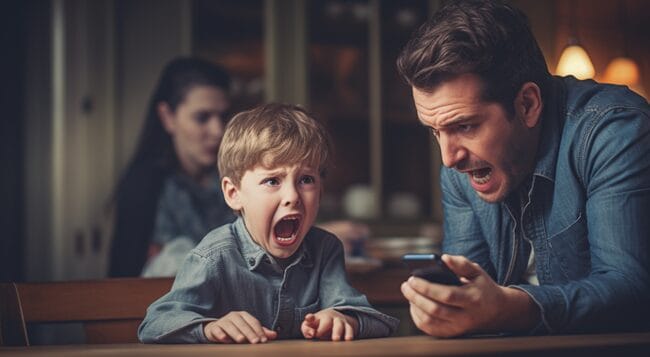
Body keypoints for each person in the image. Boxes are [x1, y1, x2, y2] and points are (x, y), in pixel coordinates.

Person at [396, 0, 650, 337]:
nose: (448, 158)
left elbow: (631, 291)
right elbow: (469, 302)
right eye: (435, 131)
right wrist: (447, 308)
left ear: (527, 104)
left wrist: (510, 308)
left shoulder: (613, 133)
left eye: (465, 127)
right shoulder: (462, 168)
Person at [138, 103, 399, 343]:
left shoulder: (325, 249)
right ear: (234, 193)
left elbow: (376, 320)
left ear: (320, 191)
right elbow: (154, 324)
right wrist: (209, 327)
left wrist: (346, 319)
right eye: (273, 181)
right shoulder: (213, 256)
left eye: (306, 180)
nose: (293, 197)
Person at [109, 57, 370, 278]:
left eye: (223, 116)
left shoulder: (231, 175)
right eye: (202, 117)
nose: (217, 130)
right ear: (167, 117)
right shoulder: (144, 188)